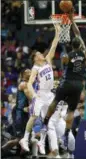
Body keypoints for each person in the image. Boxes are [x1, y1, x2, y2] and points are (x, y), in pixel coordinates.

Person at [43, 10, 86, 148]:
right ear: (79, 45)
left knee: (55, 101)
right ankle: (67, 133)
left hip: (67, 81)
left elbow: (65, 63)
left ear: (71, 46)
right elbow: (78, 34)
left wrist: (63, 52)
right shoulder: (84, 52)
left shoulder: (68, 55)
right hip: (78, 84)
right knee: (71, 111)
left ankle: (45, 122)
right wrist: (72, 20)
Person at [19, 23, 60, 152]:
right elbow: (30, 83)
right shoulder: (35, 68)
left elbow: (54, 44)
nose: (41, 54)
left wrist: (57, 30)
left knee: (49, 118)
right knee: (34, 117)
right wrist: (34, 94)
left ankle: (41, 142)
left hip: (49, 94)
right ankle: (24, 139)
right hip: (40, 95)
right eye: (38, 54)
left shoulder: (48, 60)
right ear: (36, 58)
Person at [1, 69, 31, 152]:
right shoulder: (23, 84)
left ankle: (22, 154)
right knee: (20, 139)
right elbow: (31, 97)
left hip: (24, 113)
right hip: (19, 113)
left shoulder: (29, 84)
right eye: (28, 71)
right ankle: (2, 151)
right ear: (23, 75)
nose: (31, 72)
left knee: (25, 139)